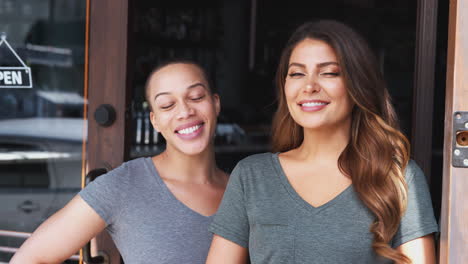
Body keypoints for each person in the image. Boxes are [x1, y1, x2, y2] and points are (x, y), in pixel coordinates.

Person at [206, 20, 438, 264]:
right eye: (297, 73)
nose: (309, 86)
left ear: (358, 85)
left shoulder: (399, 177)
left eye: (329, 73)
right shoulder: (251, 176)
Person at [11, 60, 228, 264]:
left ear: (216, 103)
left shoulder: (245, 187)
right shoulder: (126, 185)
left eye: (196, 97)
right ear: (155, 121)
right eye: (167, 105)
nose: (184, 111)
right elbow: (30, 258)